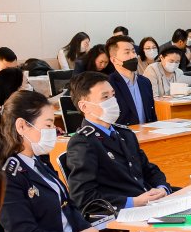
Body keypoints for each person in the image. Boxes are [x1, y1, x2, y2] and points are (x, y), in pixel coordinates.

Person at [0, 91, 93, 232]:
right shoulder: (7, 176)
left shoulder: (39, 160)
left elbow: (68, 205)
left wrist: (90, 231)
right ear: (22, 126)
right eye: (48, 125)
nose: (54, 131)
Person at [62, 72, 172, 213]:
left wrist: (162, 188)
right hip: (123, 212)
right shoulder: (83, 142)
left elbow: (148, 169)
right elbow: (84, 197)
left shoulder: (125, 133)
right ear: (84, 107)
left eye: (113, 95)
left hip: (151, 203)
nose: (112, 101)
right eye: (105, 97)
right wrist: (134, 202)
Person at [106, 34, 158, 126]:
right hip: (124, 133)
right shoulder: (109, 84)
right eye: (127, 52)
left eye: (134, 51)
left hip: (148, 132)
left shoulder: (145, 82)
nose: (133, 56)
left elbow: (152, 115)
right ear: (114, 60)